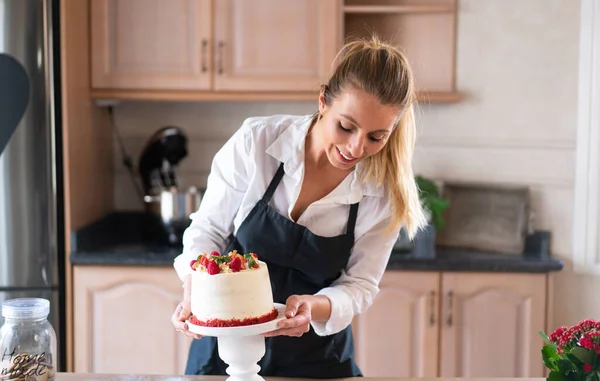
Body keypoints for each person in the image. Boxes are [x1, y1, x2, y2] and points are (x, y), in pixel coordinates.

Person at [170, 35, 427, 378]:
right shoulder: (257, 142)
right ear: (323, 100)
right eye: (346, 126)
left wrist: (311, 307)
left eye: (376, 137)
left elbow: (360, 286)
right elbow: (208, 231)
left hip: (317, 358)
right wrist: (194, 294)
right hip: (226, 350)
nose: (355, 147)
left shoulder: (382, 192)